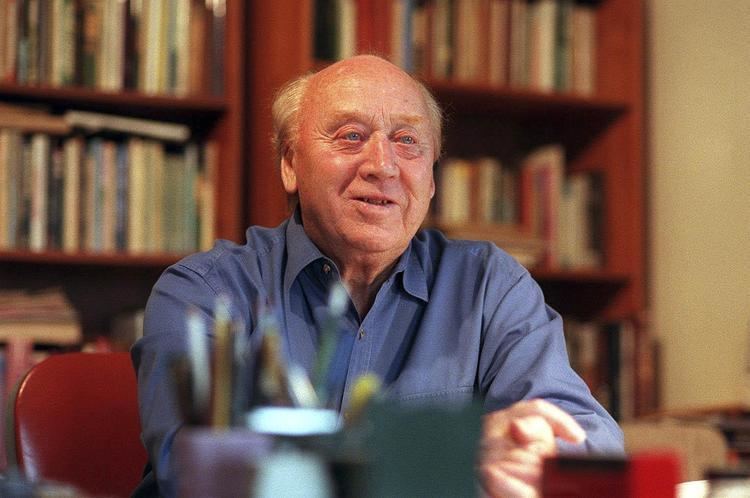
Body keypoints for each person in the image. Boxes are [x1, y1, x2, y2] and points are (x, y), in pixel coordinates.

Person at [131, 54, 623, 497]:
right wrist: (453, 450)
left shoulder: (489, 287)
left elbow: (590, 446)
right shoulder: (207, 293)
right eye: (351, 136)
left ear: (430, 179)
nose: (383, 165)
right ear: (289, 164)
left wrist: (534, 449)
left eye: (407, 141)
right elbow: (205, 476)